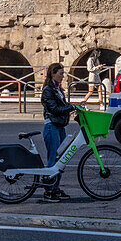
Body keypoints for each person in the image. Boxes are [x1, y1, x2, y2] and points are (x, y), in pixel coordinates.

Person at [40, 62, 76, 202]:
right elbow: (54, 109)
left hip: (59, 126)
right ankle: (49, 191)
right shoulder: (48, 90)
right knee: (53, 158)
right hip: (51, 126)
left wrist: (73, 107)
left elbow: (62, 106)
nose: (63, 76)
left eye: (63, 73)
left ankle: (55, 187)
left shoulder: (58, 89)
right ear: (53, 73)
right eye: (60, 74)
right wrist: (70, 107)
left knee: (61, 159)